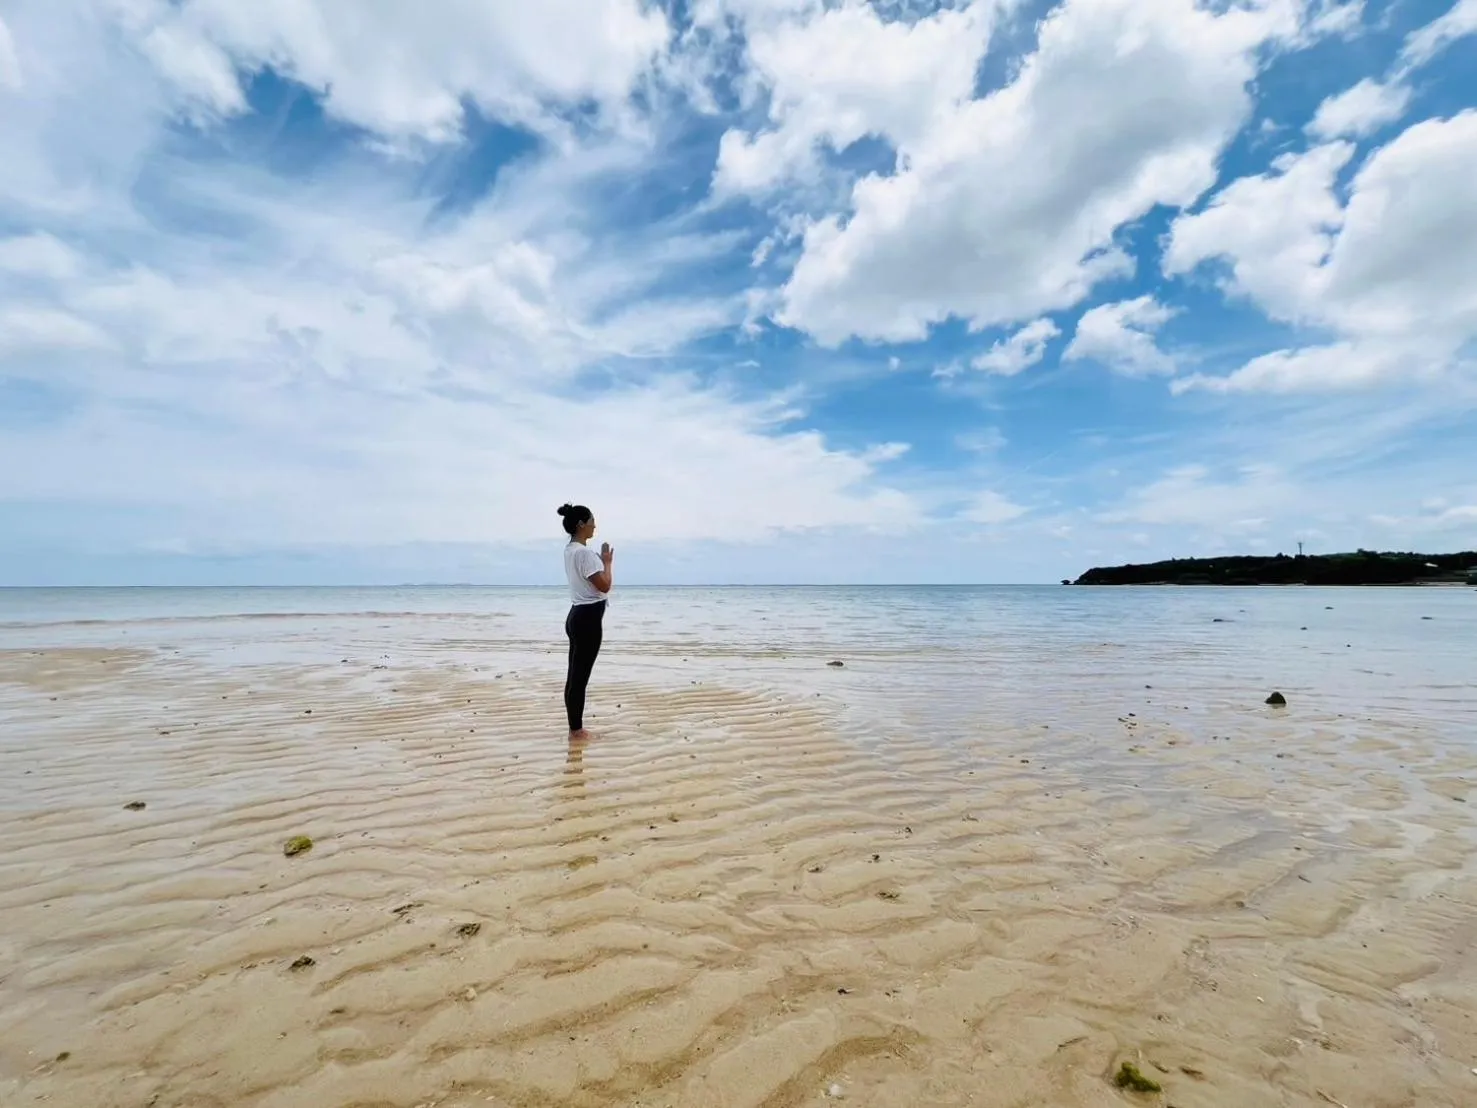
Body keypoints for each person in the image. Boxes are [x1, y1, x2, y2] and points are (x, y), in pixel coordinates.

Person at [557, 503, 613, 741]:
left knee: (574, 676)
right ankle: (576, 731)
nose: (594, 525)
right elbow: (604, 585)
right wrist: (607, 562)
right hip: (587, 619)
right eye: (591, 520)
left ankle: (574, 728)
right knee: (579, 677)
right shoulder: (584, 553)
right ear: (581, 524)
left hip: (576, 615)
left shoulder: (570, 550)